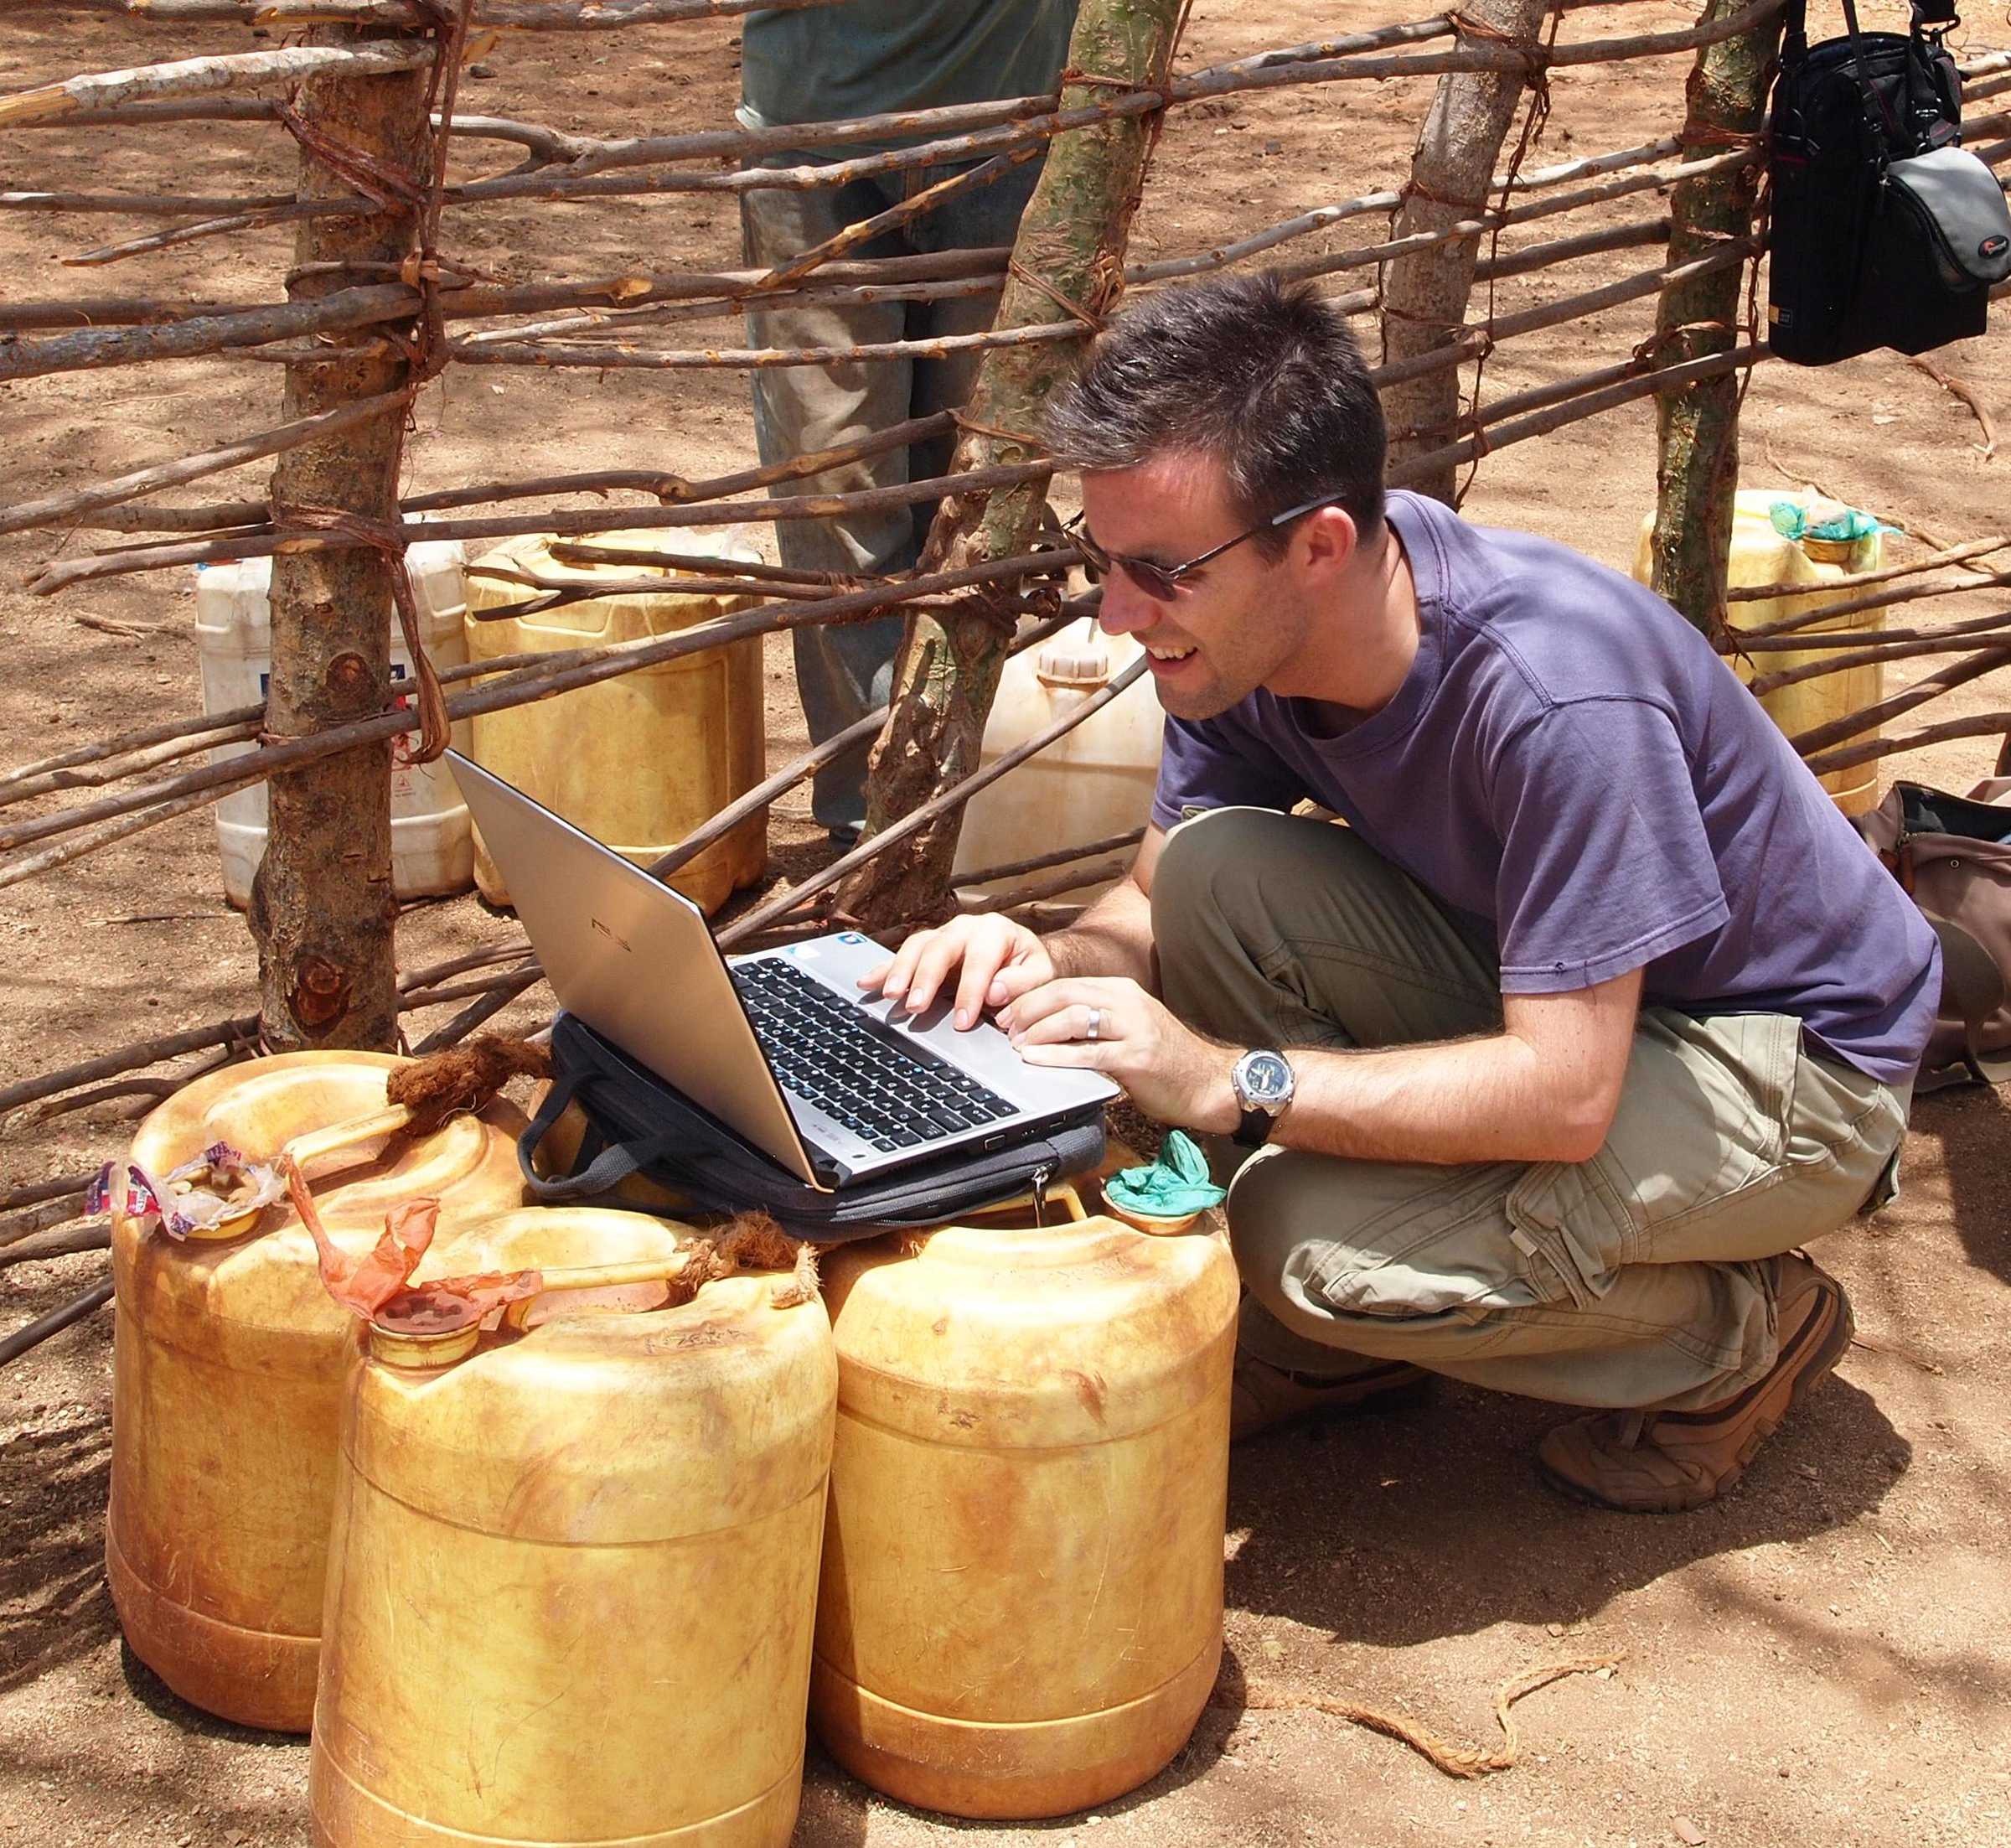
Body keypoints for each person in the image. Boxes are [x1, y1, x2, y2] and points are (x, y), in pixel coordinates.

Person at [864, 272, 1941, 1514]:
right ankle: (1348, 1357)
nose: (1115, 617)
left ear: (1317, 543)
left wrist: (1226, 1081)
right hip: (1586, 1003)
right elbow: (1157, 900)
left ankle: (1745, 1336)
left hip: (1795, 1069)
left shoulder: (1557, 698)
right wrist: (1049, 959)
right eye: (1100, 562)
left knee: (1306, 1242)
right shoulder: (1253, 636)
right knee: (1222, 869)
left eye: (1158, 572)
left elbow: (1563, 1094)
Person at [739, 0, 1082, 842]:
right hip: (811, 138)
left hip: (1005, 125)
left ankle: (966, 783)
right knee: (837, 483)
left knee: (973, 473)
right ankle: (872, 817)